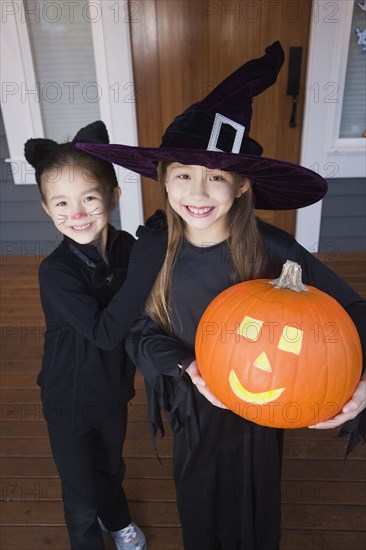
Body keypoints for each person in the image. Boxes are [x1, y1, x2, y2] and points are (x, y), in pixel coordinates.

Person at [77, 43, 366, 550]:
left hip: (265, 403)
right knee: (199, 500)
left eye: (216, 177)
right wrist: (187, 366)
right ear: (163, 181)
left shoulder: (272, 248)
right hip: (194, 400)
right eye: (184, 175)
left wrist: (363, 379)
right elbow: (137, 332)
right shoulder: (152, 250)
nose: (199, 192)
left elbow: (354, 310)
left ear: (242, 186)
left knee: (254, 506)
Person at [24, 120, 167, 550]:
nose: (78, 213)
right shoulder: (56, 272)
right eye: (62, 203)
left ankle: (118, 518)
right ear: (47, 209)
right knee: (81, 494)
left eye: (89, 197)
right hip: (68, 399)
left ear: (113, 196)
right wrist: (145, 265)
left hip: (113, 390)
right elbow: (105, 332)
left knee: (110, 468)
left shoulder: (127, 246)